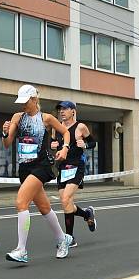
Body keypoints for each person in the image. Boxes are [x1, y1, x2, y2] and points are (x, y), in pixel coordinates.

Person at [2, 85, 74, 263]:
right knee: (44, 207)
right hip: (24, 168)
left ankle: (21, 249)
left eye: (26, 102)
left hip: (42, 166)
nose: (23, 106)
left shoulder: (46, 118)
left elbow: (66, 133)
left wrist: (65, 149)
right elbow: (6, 143)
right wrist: (5, 132)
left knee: (21, 202)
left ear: (34, 99)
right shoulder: (17, 117)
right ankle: (62, 239)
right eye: (21, 102)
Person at [50, 101, 96, 247]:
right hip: (62, 168)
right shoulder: (56, 128)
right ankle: (87, 214)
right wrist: (52, 145)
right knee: (67, 203)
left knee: (65, 199)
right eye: (60, 110)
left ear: (73, 111)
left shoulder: (80, 127)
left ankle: (69, 238)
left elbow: (93, 142)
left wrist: (86, 145)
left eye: (65, 109)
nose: (61, 112)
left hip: (77, 166)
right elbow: (52, 145)